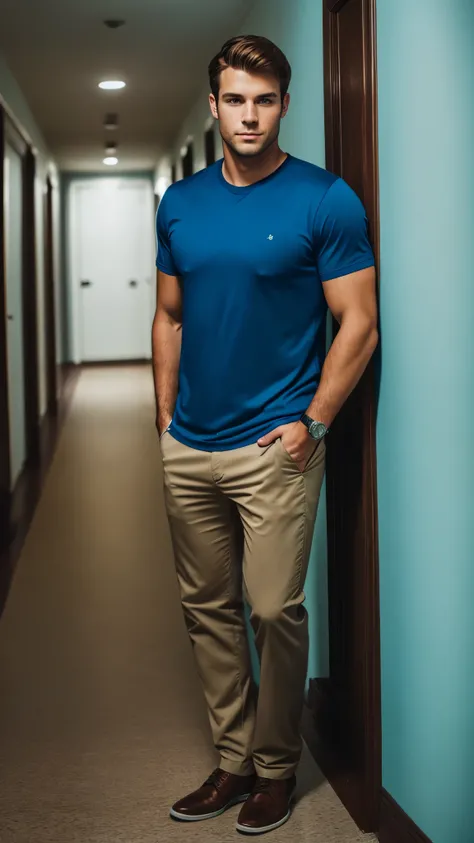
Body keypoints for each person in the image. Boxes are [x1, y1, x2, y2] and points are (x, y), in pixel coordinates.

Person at [152, 34, 378, 836]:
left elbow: (359, 324)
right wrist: (164, 419)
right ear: (213, 106)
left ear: (284, 104)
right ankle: (233, 757)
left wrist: (312, 423)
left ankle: (276, 767)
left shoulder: (324, 199)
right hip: (191, 445)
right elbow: (170, 315)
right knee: (205, 607)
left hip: (273, 448)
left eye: (266, 100)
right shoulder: (178, 202)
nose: (250, 115)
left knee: (273, 607)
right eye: (235, 100)